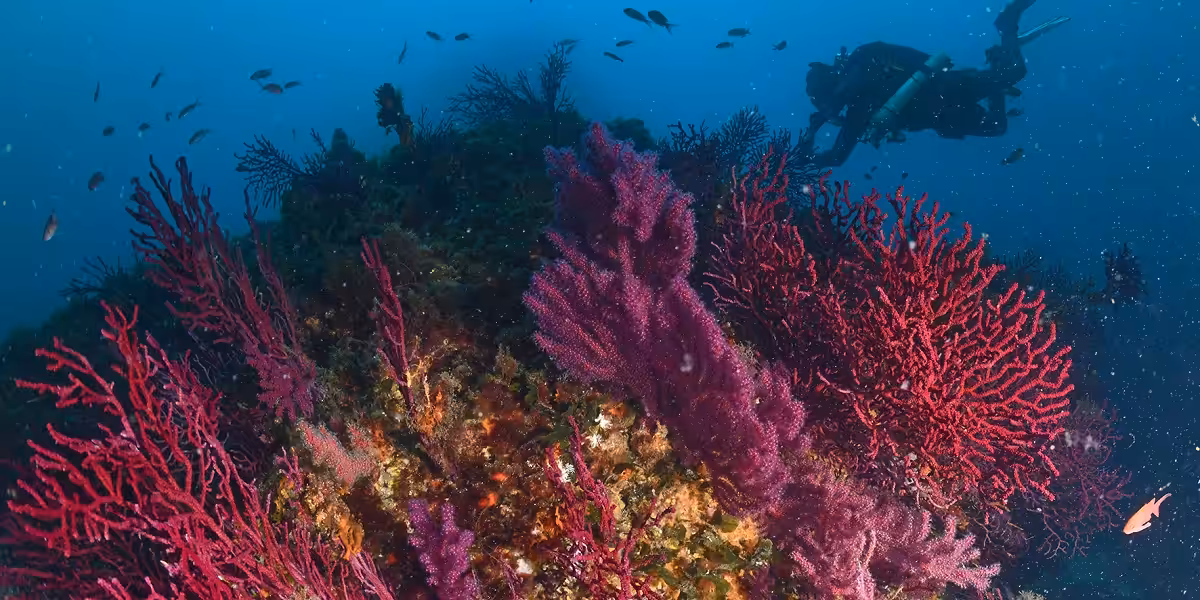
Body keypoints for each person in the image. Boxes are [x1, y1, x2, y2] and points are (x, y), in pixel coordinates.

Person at [802, 0, 1069, 168]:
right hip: (945, 115)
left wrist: (808, 143)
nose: (828, 106)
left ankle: (1006, 25)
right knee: (997, 125)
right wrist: (810, 139)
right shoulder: (857, 109)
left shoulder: (863, 78)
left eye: (823, 99)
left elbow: (835, 157)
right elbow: (836, 157)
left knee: (1015, 72)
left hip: (947, 88)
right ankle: (1000, 58)